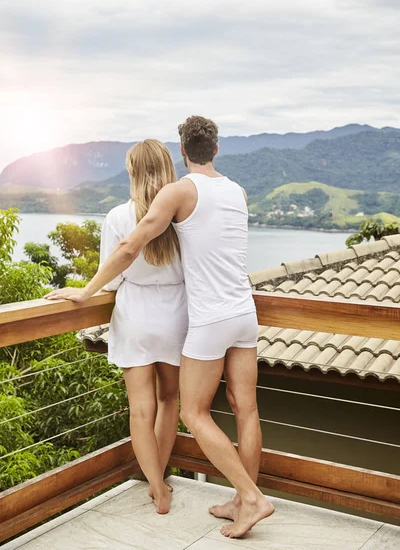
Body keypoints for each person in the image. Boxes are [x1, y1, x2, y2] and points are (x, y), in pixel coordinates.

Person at [45, 116, 275, 538]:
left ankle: (253, 498)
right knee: (247, 408)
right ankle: (242, 500)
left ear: (183, 150)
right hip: (244, 313)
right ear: (217, 149)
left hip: (208, 318)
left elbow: (131, 244)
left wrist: (85, 291)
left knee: (192, 411)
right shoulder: (238, 192)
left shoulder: (180, 192)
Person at [50, 140, 188, 515]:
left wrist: (84, 292)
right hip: (176, 314)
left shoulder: (117, 217)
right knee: (169, 401)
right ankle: (160, 474)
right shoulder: (182, 216)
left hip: (136, 315)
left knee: (140, 411)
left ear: (133, 173)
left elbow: (111, 282)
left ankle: (158, 489)